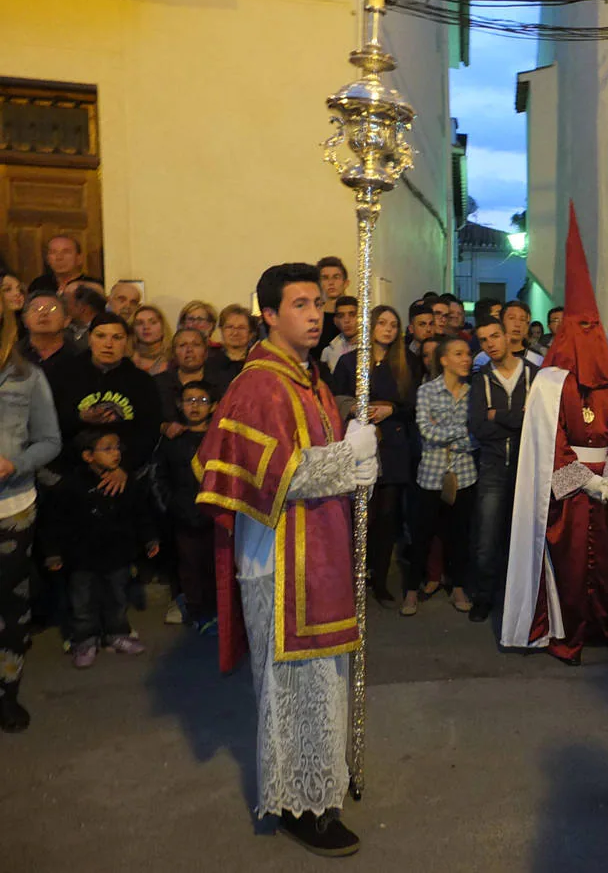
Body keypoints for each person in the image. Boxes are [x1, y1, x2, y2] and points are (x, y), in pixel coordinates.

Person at [194, 262, 377, 856]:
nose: (315, 313)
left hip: (316, 551)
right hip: (278, 562)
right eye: (300, 304)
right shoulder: (258, 385)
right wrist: (348, 460)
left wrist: (356, 462)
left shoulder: (310, 378)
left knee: (323, 681)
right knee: (293, 686)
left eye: (319, 303)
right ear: (268, 315)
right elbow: (276, 473)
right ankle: (299, 805)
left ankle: (322, 788)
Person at [502, 205, 608, 668]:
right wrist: (584, 479)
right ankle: (566, 634)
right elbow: (550, 444)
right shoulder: (549, 384)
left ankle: (604, 624)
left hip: (607, 492)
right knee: (570, 563)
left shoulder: (607, 382)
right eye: (582, 329)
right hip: (569, 493)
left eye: (595, 328)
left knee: (604, 562)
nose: (591, 336)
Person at [45, 429, 159, 669]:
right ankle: (85, 640)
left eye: (117, 448)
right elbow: (55, 521)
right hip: (81, 557)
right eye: (107, 449)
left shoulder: (127, 482)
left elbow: (140, 514)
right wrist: (53, 552)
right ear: (88, 456)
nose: (115, 453)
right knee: (83, 601)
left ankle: (116, 634)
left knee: (117, 597)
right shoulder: (71, 486)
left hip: (117, 554)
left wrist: (149, 539)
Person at [0, 305, 61, 732]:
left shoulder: (27, 377)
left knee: (10, 602)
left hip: (11, 506)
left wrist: (15, 464)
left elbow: (50, 440)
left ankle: (6, 692)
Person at [332, 305, 413, 610]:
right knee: (357, 516)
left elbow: (414, 405)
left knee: (386, 518)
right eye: (382, 323)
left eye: (394, 324)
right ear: (371, 325)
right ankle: (350, 579)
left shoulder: (406, 363)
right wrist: (353, 408)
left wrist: (393, 409)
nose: (388, 329)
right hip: (358, 446)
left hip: (393, 446)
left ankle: (379, 580)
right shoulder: (348, 361)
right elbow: (333, 398)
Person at [466, 316, 538, 623]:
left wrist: (499, 415)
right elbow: (479, 426)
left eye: (494, 336)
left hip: (527, 467)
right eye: (483, 340)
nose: (490, 344)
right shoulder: (481, 378)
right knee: (487, 537)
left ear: (508, 336)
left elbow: (537, 423)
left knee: (523, 536)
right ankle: (484, 597)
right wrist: (515, 419)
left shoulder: (534, 375)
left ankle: (520, 600)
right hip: (493, 466)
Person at [49, 312, 163, 485]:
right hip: (68, 471)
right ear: (89, 338)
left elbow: (149, 431)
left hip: (124, 472)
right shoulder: (63, 374)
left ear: (127, 341)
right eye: (101, 336)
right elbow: (47, 422)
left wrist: (124, 466)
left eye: (117, 338)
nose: (108, 344)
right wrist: (79, 418)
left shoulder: (141, 382)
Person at [407, 336, 476, 616]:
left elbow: (478, 436)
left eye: (468, 354)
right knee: (421, 534)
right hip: (432, 474)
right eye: (459, 354)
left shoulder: (474, 392)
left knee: (459, 536)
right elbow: (426, 430)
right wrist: (461, 432)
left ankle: (458, 586)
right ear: (444, 360)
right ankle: (411, 590)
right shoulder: (427, 391)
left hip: (466, 473)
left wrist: (450, 433)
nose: (466, 359)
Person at [156, 380, 218, 631]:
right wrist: (172, 506)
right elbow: (159, 477)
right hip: (184, 516)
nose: (195, 406)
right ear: (180, 405)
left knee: (216, 566)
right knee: (190, 567)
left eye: (202, 401)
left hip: (214, 515)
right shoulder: (172, 440)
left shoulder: (218, 439)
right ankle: (197, 612)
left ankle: (218, 612)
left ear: (213, 406)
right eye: (189, 400)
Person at [155, 329, 218, 439]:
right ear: (174, 353)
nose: (189, 350)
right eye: (182, 345)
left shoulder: (221, 382)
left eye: (196, 345)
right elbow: (146, 420)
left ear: (206, 352)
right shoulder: (158, 383)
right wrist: (164, 427)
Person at [19, 291, 79, 377]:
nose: (43, 313)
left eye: (52, 309)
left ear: (67, 320)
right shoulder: (13, 356)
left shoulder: (79, 356)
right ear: (25, 321)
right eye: (36, 309)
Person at [28, 235, 98, 296]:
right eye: (53, 252)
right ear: (48, 259)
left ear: (79, 258)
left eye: (66, 252)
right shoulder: (39, 285)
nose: (59, 257)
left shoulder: (92, 287)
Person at [209, 303, 254, 388]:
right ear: (221, 331)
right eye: (229, 327)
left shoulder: (258, 361)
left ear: (251, 333)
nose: (235, 333)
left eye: (241, 328)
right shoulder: (209, 361)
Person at [316, 256, 350, 354]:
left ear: (346, 283)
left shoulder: (357, 316)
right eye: (325, 278)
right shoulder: (314, 318)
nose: (331, 282)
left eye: (336, 277)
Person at [130, 305, 173, 376]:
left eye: (153, 322)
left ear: (163, 328)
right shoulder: (126, 359)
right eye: (140, 323)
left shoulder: (174, 358)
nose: (146, 327)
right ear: (133, 329)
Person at [64, 282, 106, 351]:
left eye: (67, 302)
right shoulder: (66, 329)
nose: (64, 307)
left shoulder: (103, 331)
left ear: (82, 306)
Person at [321, 296, 358, 374]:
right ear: (335, 321)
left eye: (352, 314)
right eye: (341, 316)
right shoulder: (328, 352)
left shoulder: (372, 348)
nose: (346, 320)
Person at [406, 300, 434, 367]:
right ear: (411, 329)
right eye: (422, 324)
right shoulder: (402, 356)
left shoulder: (442, 352)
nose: (428, 329)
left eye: (431, 324)